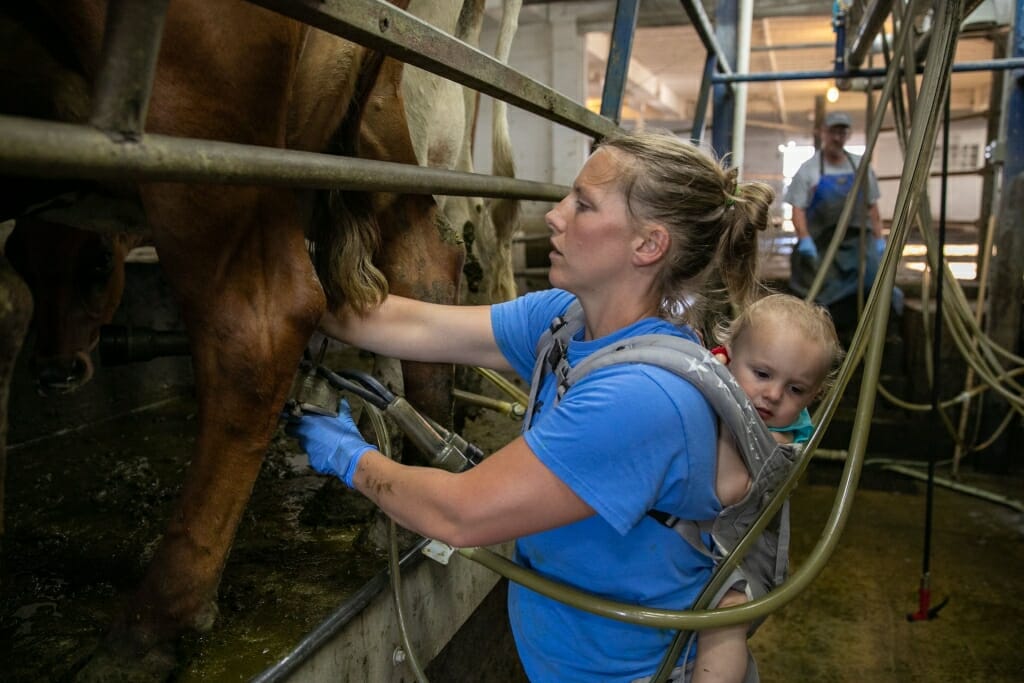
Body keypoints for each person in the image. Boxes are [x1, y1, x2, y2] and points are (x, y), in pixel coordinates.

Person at [286, 128, 775, 682]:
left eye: (584, 205)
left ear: (648, 245)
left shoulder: (642, 398)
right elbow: (413, 324)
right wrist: (288, 281)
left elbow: (460, 513)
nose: (554, 216)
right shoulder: (566, 320)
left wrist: (351, 458)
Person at [695, 293, 844, 683]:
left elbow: (728, 488)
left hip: (743, 561)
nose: (775, 395)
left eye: (796, 390)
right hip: (700, 543)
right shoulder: (715, 379)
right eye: (762, 374)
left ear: (815, 395)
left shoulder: (783, 439)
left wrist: (719, 391)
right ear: (728, 354)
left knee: (725, 619)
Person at [784, 111, 896, 334]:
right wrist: (805, 240)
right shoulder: (809, 169)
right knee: (816, 293)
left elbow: (872, 206)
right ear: (823, 133)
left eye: (842, 132)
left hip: (857, 244)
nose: (838, 137)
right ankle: (822, 336)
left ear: (848, 134)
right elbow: (797, 209)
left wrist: (878, 239)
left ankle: (874, 337)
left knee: (876, 285)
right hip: (823, 245)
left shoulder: (860, 166)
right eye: (833, 131)